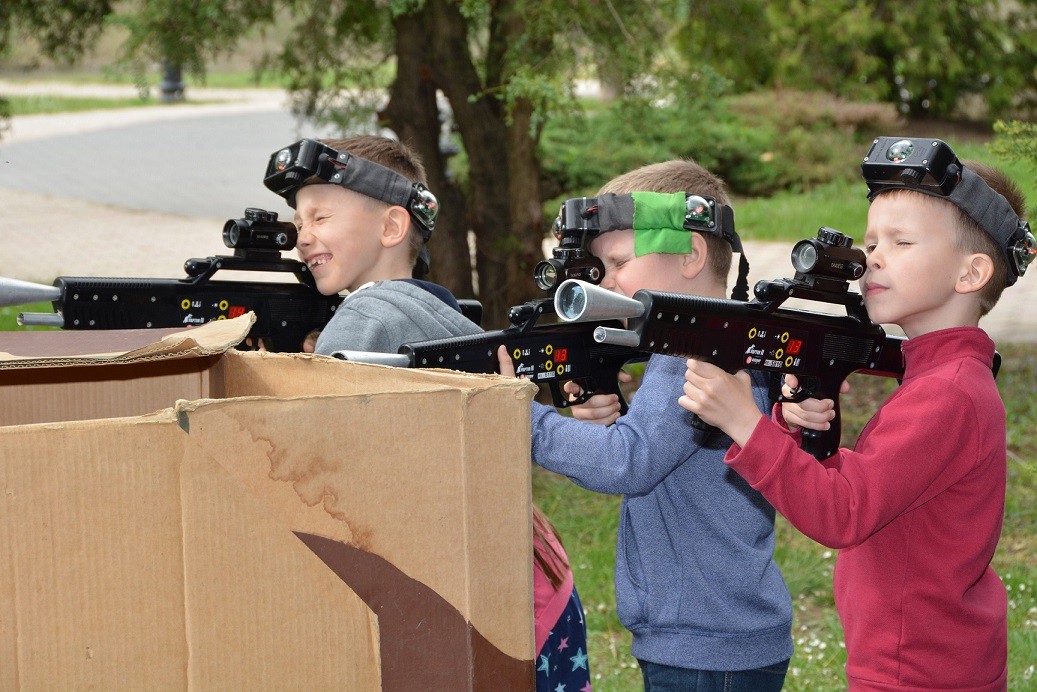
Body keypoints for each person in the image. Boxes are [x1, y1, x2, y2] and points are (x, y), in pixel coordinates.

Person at [679, 141, 1034, 690]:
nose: (873, 257)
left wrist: (743, 421)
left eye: (901, 242)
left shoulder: (948, 394)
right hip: (926, 662)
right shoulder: (943, 379)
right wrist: (792, 435)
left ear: (971, 273)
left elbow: (843, 514)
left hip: (912, 673)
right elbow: (882, 488)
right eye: (870, 242)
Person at [500, 160, 794, 690]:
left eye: (619, 262)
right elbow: (659, 451)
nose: (607, 282)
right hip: (711, 635)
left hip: (709, 644)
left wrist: (517, 414)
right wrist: (616, 417)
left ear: (690, 256)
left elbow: (627, 462)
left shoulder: (694, 351)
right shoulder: (716, 341)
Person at [264, 135, 481, 355]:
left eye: (320, 218)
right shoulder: (440, 312)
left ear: (391, 227)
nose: (302, 239)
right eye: (300, 226)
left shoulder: (358, 322)